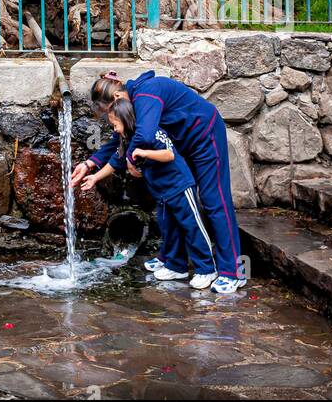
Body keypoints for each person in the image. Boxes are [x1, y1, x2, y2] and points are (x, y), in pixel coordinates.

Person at [71, 69, 244, 295]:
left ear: (115, 98)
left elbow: (145, 135)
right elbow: (119, 142)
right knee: (171, 203)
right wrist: (89, 165)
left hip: (204, 135)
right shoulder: (129, 105)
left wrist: (131, 159)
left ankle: (232, 271)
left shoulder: (146, 94)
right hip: (182, 145)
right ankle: (175, 261)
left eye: (107, 113)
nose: (109, 119)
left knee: (214, 200)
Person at [79, 98, 217, 290]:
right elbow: (115, 161)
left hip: (179, 186)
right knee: (169, 229)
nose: (114, 129)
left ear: (126, 120)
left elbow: (169, 155)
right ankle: (176, 266)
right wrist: (94, 178)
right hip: (163, 193)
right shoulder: (127, 140)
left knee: (192, 227)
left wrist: (144, 153)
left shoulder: (152, 133)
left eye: (115, 124)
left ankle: (207, 269)